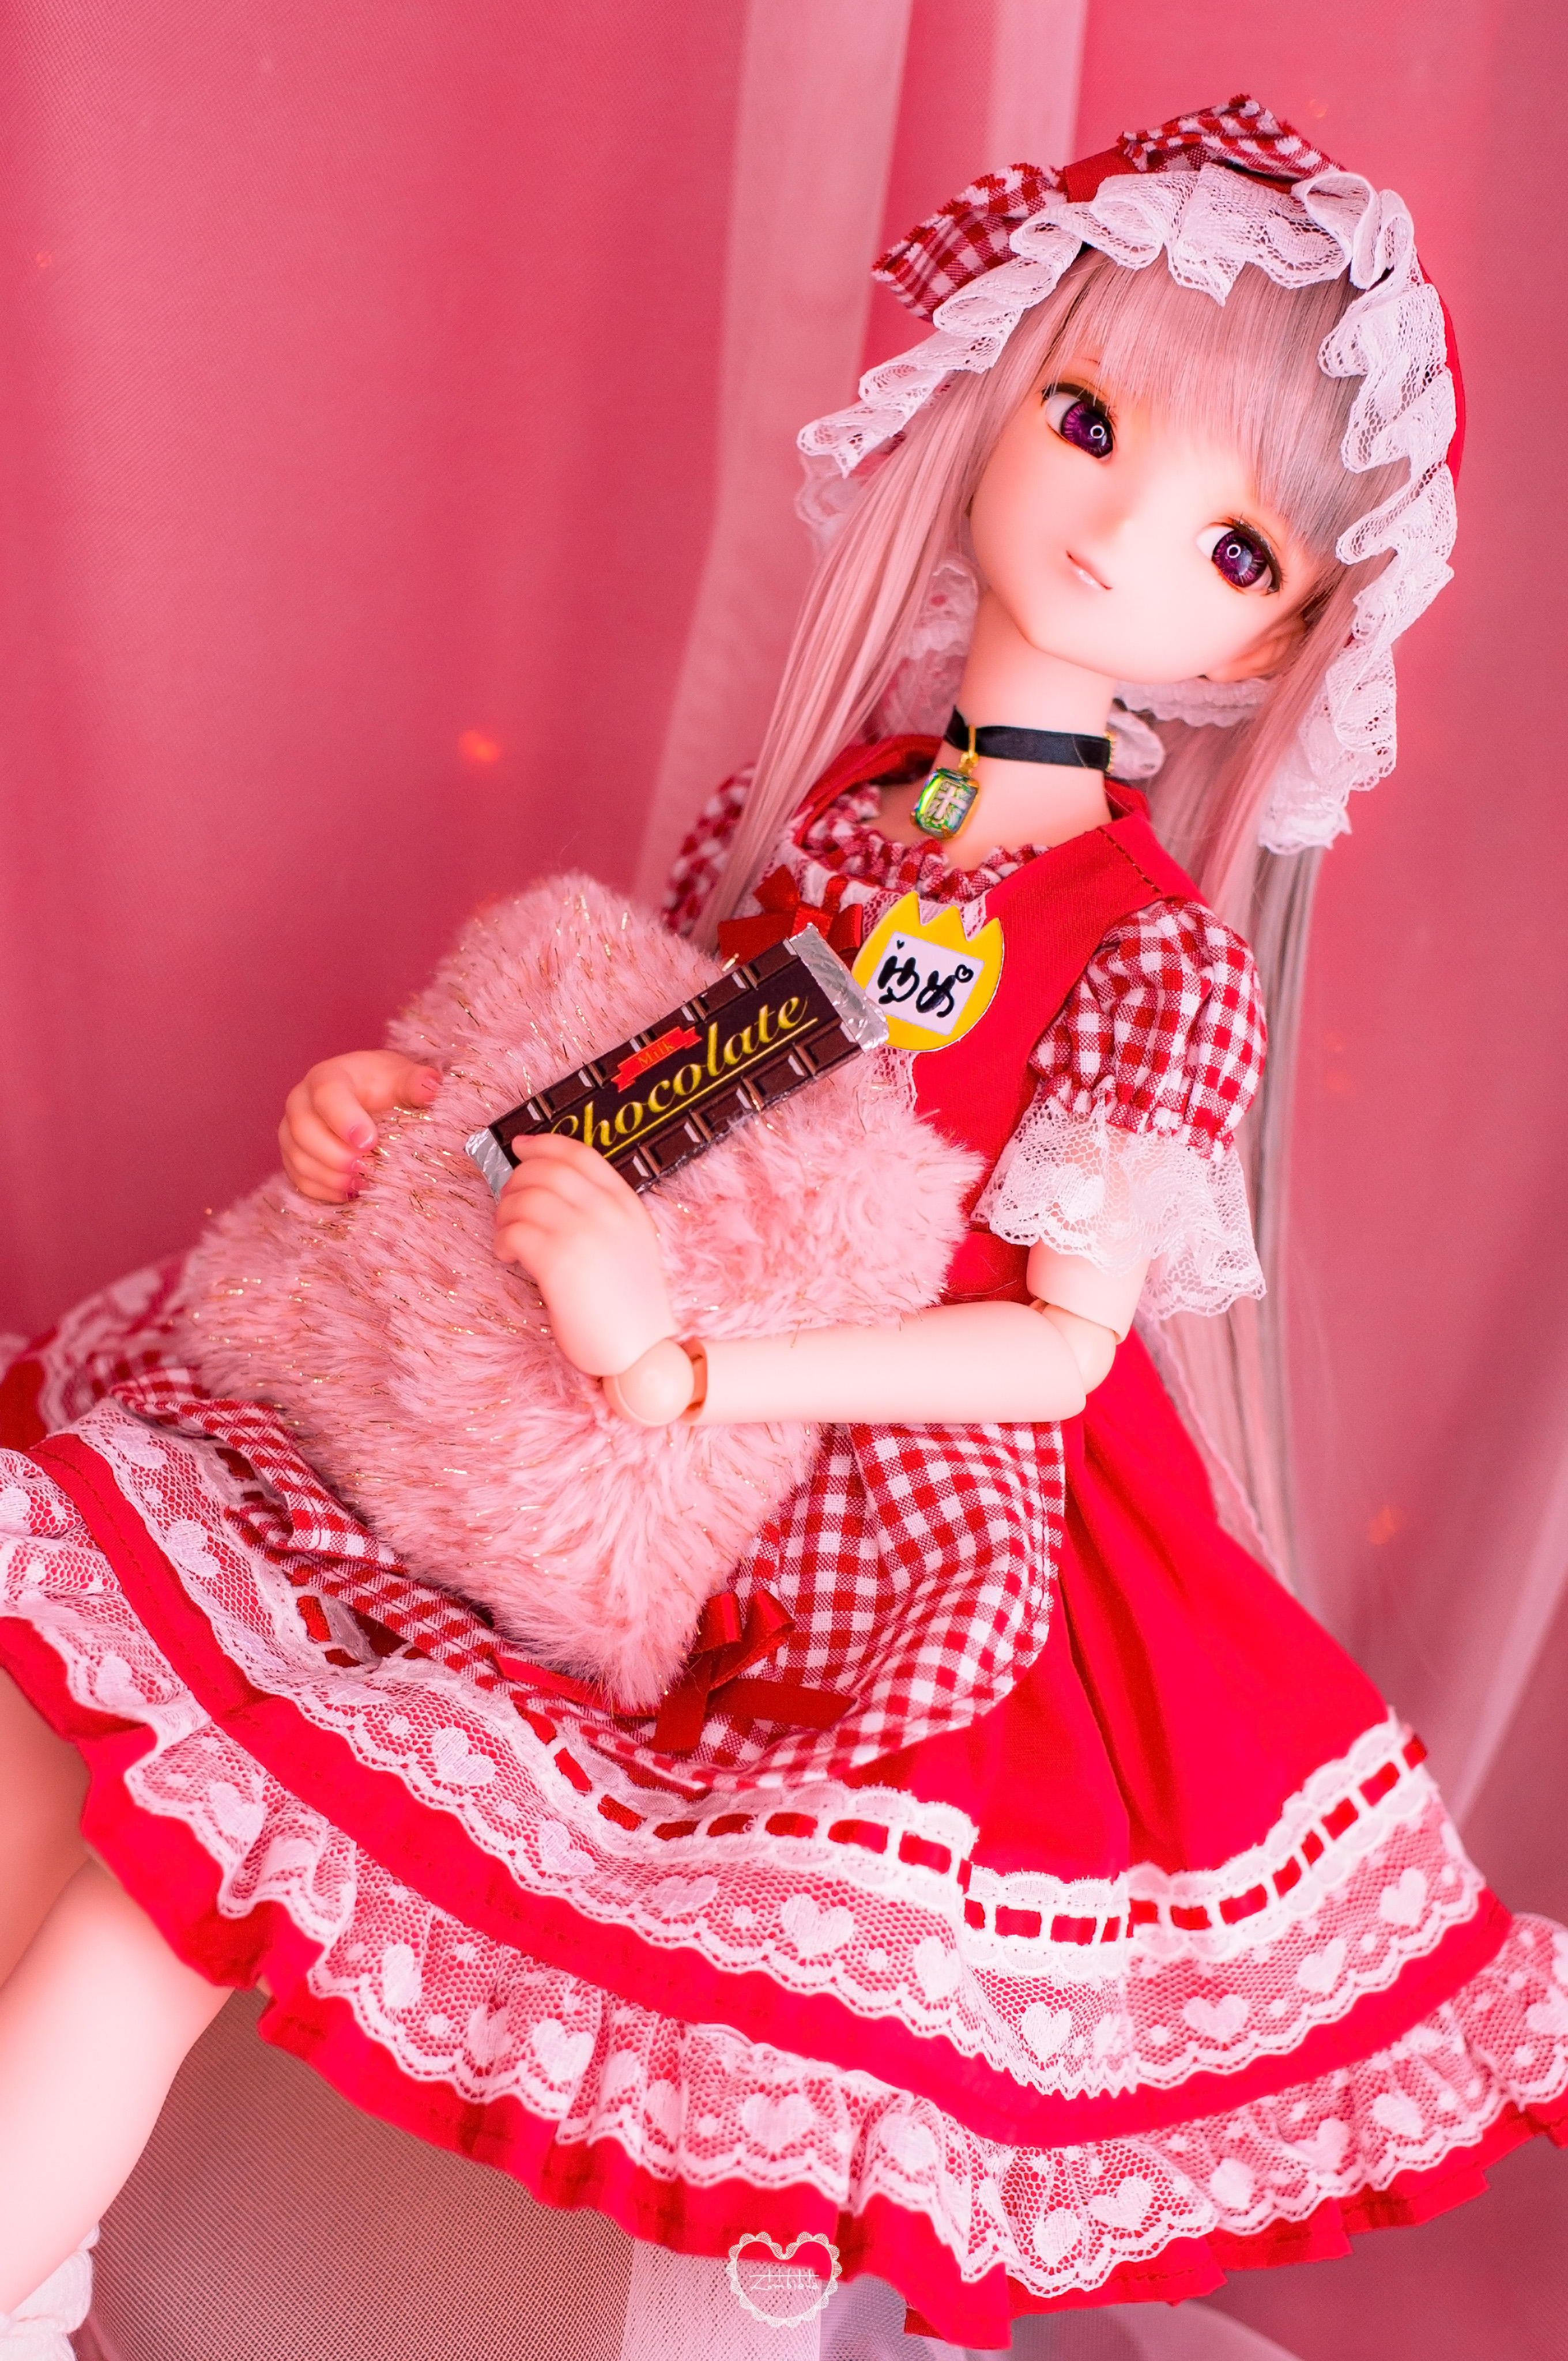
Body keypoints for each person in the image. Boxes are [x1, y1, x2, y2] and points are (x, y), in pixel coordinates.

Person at [1, 96, 1563, 2358]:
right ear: (991, 399)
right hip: (575, 1424)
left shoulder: (1146, 957)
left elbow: (1053, 1348)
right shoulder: (837, 820)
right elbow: (651, 1098)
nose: (1117, 535)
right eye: (1089, 424)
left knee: (211, 1910)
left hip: (857, 1526)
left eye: (1230, 545)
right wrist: (418, 1127)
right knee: (104, 1811)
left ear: (1280, 638)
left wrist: (686, 1369)